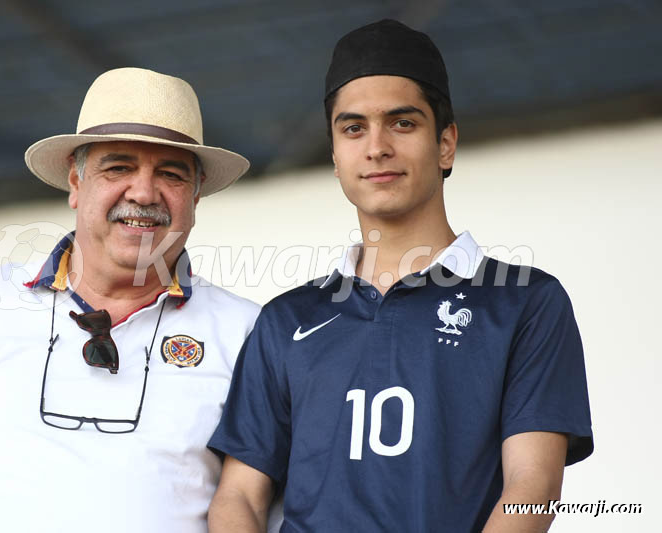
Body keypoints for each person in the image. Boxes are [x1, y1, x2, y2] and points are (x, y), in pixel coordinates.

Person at [207, 19, 594, 533]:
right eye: (353, 128)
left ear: (446, 143)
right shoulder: (286, 319)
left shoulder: (527, 302)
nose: (376, 147)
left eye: (402, 123)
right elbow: (240, 498)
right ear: (335, 154)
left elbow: (532, 490)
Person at [0, 67, 261, 532]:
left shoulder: (246, 332)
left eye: (171, 174)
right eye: (118, 167)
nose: (143, 192)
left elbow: (260, 504)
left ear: (195, 198)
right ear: (76, 182)